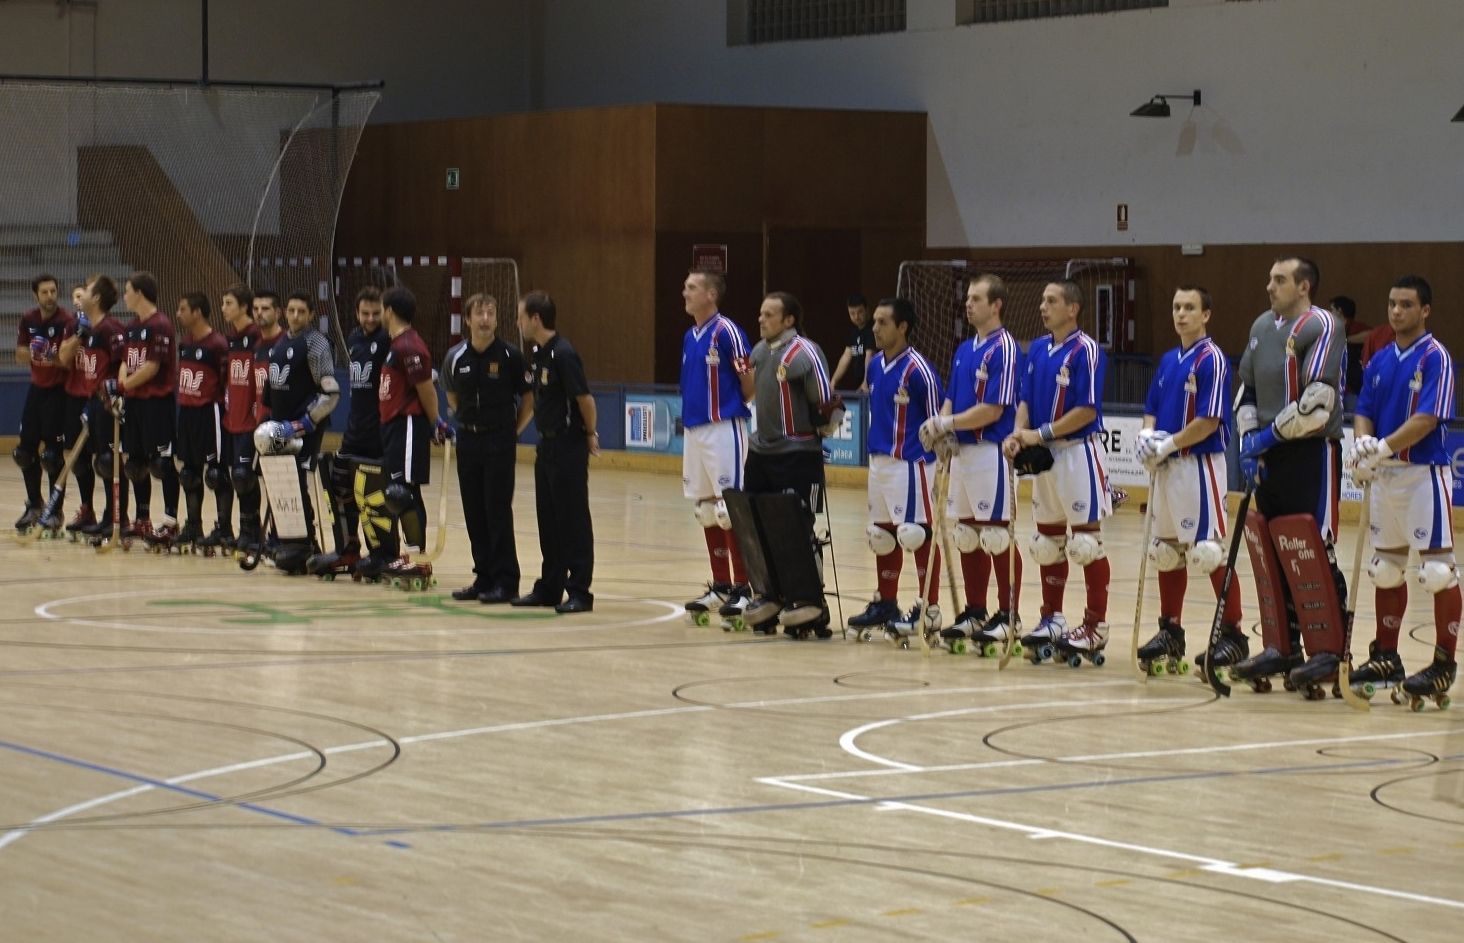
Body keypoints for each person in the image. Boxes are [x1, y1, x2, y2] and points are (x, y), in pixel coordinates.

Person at [1234, 256, 1347, 687]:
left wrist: (1268, 438)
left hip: (1309, 452)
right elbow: (1246, 390)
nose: (1269, 286)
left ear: (1304, 287)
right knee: (1275, 549)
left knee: (1314, 548)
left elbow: (1318, 402)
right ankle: (1283, 647)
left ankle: (1331, 652)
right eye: (1270, 277)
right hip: (1269, 456)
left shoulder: (1324, 326)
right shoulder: (1262, 326)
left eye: (1279, 279)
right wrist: (1248, 441)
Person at [1346, 275, 1458, 706]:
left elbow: (1428, 418)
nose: (1396, 312)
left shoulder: (1436, 358)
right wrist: (1362, 445)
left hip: (1421, 475)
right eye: (1392, 304)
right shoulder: (1377, 360)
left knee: (1438, 572)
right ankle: (1386, 656)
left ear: (1425, 310)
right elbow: (1364, 412)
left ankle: (1443, 664)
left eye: (1406, 305)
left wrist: (1384, 447)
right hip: (1384, 479)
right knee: (1386, 570)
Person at [1133, 286, 1244, 671]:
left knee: (1207, 553)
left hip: (1198, 465)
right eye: (1177, 306)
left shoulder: (1212, 359)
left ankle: (1233, 635)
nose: (1181, 314)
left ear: (1206, 314)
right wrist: (1148, 438)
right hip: (1167, 468)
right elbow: (1150, 408)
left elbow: (1210, 420)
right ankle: (1171, 631)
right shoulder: (1167, 360)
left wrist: (1171, 444)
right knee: (1167, 553)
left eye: (1190, 307)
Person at [1003, 280, 1112, 660]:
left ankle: (1096, 625)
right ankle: (1052, 617)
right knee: (1048, 542)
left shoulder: (1088, 351)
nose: (1043, 307)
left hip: (1077, 454)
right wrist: (1019, 434)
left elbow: (1087, 410)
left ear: (1073, 308)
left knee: (1086, 544)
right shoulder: (1035, 352)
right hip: (1042, 456)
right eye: (1042, 300)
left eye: (1051, 301)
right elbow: (1024, 400)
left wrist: (1038, 433)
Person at [919, 274, 1024, 651]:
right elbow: (951, 397)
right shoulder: (964, 349)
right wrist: (943, 430)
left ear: (996, 305)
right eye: (967, 298)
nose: (969, 304)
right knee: (967, 536)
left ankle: (1008, 614)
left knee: (996, 535)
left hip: (991, 452)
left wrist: (948, 422)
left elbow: (995, 409)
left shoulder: (1006, 348)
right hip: (962, 454)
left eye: (977, 298)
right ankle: (975, 610)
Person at [740, 290, 841, 634]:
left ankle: (812, 600)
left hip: (798, 456)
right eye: (760, 313)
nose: (761, 319)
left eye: (769, 315)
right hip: (760, 454)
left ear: (789, 320)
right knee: (757, 525)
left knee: (798, 526)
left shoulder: (805, 353)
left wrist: (824, 424)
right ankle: (770, 594)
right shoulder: (758, 352)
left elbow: (827, 406)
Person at [846, 296, 945, 641]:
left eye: (882, 322)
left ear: (902, 327)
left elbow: (937, 421)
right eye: (873, 321)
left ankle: (929, 608)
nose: (874, 328)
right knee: (882, 537)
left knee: (915, 536)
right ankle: (886, 603)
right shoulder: (873, 366)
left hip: (912, 463)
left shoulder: (920, 370)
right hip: (880, 464)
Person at [350, 285, 449, 584]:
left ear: (389, 311)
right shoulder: (397, 344)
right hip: (392, 427)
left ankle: (417, 559)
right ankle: (408, 556)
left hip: (407, 426)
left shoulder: (409, 346)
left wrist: (436, 422)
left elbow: (425, 388)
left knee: (403, 493)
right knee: (397, 493)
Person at [443, 292, 532, 603]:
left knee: (497, 509)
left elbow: (529, 399)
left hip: (499, 441)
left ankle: (506, 581)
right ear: (467, 319)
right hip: (468, 439)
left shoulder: (510, 356)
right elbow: (452, 397)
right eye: (479, 313)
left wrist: (512, 431)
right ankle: (484, 577)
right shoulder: (455, 357)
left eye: (490, 313)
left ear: (496, 319)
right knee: (474, 510)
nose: (484, 319)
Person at [513, 290, 597, 614]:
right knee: (548, 520)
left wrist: (589, 434)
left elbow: (585, 400)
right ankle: (550, 586)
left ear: (535, 318)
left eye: (521, 316)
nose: (519, 323)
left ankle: (579, 591)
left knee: (572, 520)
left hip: (567, 444)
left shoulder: (563, 353)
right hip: (545, 445)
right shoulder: (538, 354)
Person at [677, 269, 754, 621]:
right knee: (706, 511)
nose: (685, 292)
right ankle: (721, 584)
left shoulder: (728, 332)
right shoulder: (689, 337)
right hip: (694, 430)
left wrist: (735, 410)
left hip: (724, 428)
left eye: (692, 288)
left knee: (729, 510)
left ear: (711, 294)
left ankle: (744, 588)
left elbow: (748, 380)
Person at [257, 291, 339, 572]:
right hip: (280, 425)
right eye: (291, 310)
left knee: (297, 480)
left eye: (301, 311)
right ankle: (283, 537)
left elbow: (330, 393)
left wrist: (306, 422)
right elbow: (271, 393)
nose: (295, 316)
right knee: (279, 481)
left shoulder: (316, 344)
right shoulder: (279, 343)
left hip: (305, 427)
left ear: (311, 314)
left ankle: (305, 540)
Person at [309, 286, 388, 575]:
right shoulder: (354, 339)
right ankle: (348, 549)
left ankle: (382, 553)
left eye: (375, 313)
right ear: (356, 313)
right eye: (365, 313)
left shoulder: (389, 340)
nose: (370, 319)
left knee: (374, 495)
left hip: (379, 434)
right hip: (354, 432)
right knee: (335, 478)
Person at [111, 271, 179, 544]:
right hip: (135, 404)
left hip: (156, 403)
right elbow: (127, 361)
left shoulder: (160, 325)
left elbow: (152, 367)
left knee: (162, 464)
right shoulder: (131, 327)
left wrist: (125, 386)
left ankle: (171, 521)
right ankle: (142, 519)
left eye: (127, 290)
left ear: (139, 292)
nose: (125, 296)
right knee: (135, 464)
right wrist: (120, 385)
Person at [56, 274, 125, 536]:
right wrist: (78, 336)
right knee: (87, 460)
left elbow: (123, 364)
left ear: (95, 298)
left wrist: (116, 392)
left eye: (86, 290)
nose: (81, 294)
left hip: (106, 403)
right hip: (88, 401)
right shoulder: (84, 328)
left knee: (109, 460)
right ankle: (95, 512)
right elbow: (63, 358)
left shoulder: (111, 328)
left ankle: (117, 516)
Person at [13, 273, 76, 531]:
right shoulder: (28, 319)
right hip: (36, 390)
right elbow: (19, 354)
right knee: (24, 452)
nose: (50, 296)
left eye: (53, 291)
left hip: (59, 392)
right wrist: (38, 351)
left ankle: (54, 510)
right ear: (35, 295)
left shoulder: (67, 321)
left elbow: (65, 360)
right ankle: (34, 505)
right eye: (44, 292)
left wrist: (43, 353)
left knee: (52, 455)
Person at [171, 292, 229, 549]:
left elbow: (226, 382)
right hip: (187, 412)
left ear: (197, 312)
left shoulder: (217, 344)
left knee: (215, 473)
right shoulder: (184, 343)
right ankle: (193, 525)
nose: (178, 313)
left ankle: (224, 528)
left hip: (209, 413)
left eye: (182, 308)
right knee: (188, 473)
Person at [214, 283, 261, 553]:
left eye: (228, 303)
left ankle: (250, 530)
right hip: (233, 418)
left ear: (244, 306)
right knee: (234, 475)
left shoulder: (255, 336)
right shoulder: (231, 339)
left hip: (250, 420)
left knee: (244, 476)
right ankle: (236, 529)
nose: (224, 308)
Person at [240, 289, 285, 556]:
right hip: (259, 426)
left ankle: (283, 535)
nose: (260, 313)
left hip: (280, 427)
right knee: (250, 477)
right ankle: (256, 532)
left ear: (277, 312)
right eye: (256, 308)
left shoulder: (285, 344)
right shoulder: (257, 348)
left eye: (266, 308)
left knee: (280, 482)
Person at [1330, 295, 1369, 411]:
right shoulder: (1331, 329)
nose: (1330, 313)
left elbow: (1371, 334)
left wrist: (1346, 339)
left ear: (1339, 311)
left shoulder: (1355, 327)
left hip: (1352, 391)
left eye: (1332, 310)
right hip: (1335, 390)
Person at [829, 292, 874, 391]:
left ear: (867, 310)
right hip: (859, 383)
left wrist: (866, 381)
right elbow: (846, 356)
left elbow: (869, 356)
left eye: (860, 312)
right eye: (852, 313)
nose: (856, 316)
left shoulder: (873, 330)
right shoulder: (853, 332)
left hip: (872, 383)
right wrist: (833, 381)